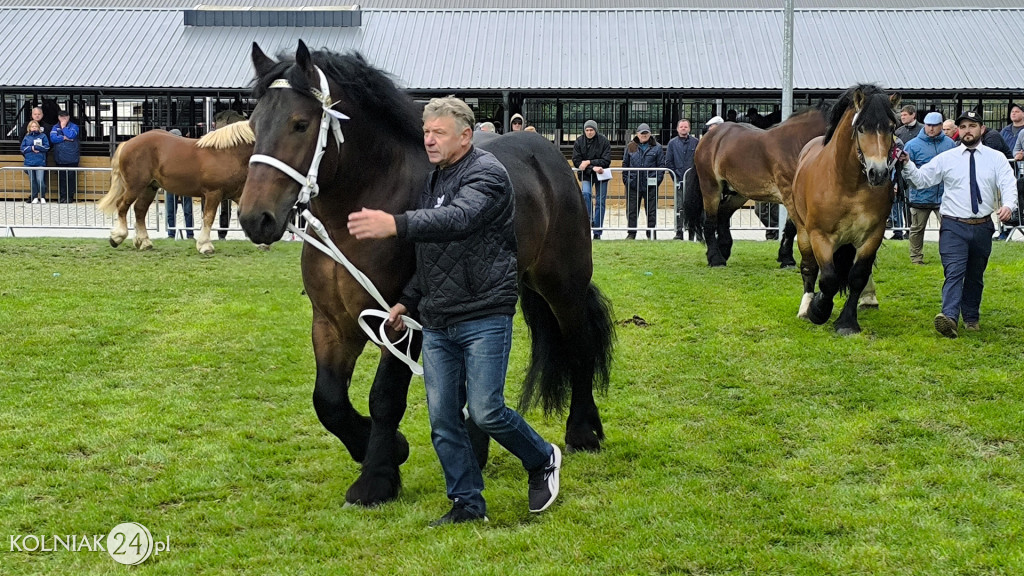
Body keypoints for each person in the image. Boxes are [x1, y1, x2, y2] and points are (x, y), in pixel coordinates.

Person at [346, 97, 561, 526]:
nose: (428, 140)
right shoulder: (432, 181)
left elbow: (460, 219)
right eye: (426, 132)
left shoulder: (488, 175)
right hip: (439, 318)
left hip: (484, 314)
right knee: (444, 421)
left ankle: (542, 459)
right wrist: (408, 299)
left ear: (466, 135)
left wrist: (396, 224)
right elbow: (432, 254)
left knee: (486, 411)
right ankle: (467, 504)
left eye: (438, 132)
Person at [899, 110, 1018, 338]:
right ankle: (949, 317)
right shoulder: (947, 158)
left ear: (981, 129)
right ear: (958, 131)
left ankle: (971, 317)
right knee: (954, 271)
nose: (967, 131)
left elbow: (1008, 183)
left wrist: (1009, 205)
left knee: (975, 275)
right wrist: (907, 164)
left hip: (983, 225)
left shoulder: (996, 158)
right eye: (963, 127)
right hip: (954, 225)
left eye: (972, 126)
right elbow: (923, 179)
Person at [903, 111, 956, 264]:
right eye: (928, 125)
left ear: (941, 125)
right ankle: (916, 258)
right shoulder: (912, 145)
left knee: (948, 229)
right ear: (924, 125)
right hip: (920, 195)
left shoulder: (950, 144)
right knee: (917, 229)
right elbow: (905, 169)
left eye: (935, 125)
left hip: (945, 196)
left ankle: (948, 256)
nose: (931, 128)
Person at [622, 123, 664, 239]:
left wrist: (657, 180)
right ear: (637, 134)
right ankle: (631, 233)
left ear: (650, 134)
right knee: (631, 211)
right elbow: (625, 164)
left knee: (651, 211)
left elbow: (661, 166)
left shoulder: (657, 147)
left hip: (651, 184)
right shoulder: (631, 146)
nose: (644, 135)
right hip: (633, 184)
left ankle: (651, 232)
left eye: (646, 133)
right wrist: (627, 180)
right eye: (642, 133)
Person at [572, 119, 612, 240]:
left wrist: (589, 163)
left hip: (601, 175)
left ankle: (598, 230)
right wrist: (593, 168)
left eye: (591, 130)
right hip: (587, 175)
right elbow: (577, 161)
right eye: (587, 130)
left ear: (596, 130)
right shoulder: (579, 142)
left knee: (600, 201)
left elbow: (606, 160)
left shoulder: (604, 141)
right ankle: (588, 222)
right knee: (585, 194)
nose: (589, 132)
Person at [664, 119, 699, 240]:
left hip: (693, 182)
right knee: (679, 207)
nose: (683, 129)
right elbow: (668, 162)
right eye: (681, 127)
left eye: (685, 127)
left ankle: (693, 231)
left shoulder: (696, 142)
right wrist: (676, 178)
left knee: (694, 206)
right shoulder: (672, 143)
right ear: (677, 129)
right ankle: (679, 231)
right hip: (679, 180)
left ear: (689, 129)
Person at [164, 129, 194, 239]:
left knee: (186, 210)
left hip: (183, 184)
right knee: (172, 210)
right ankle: (172, 233)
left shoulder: (185, 152)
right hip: (174, 184)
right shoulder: (167, 153)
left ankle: (189, 233)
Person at [49, 110, 80, 203]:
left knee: (71, 178)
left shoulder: (74, 127)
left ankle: (70, 197)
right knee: (61, 178)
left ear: (68, 117)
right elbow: (53, 139)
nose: (63, 119)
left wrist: (63, 128)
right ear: (58, 117)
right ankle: (62, 197)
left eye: (65, 117)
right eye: (61, 117)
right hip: (60, 158)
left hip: (72, 158)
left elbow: (71, 135)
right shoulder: (55, 127)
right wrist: (63, 137)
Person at [21, 120, 50, 204]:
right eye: (32, 126)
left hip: (40, 161)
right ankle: (34, 197)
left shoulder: (43, 136)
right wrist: (32, 148)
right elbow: (22, 149)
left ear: (38, 127)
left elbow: (47, 147)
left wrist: (38, 147)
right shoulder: (26, 137)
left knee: (40, 180)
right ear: (29, 128)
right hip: (29, 162)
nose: (34, 128)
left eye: (36, 126)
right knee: (32, 180)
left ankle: (42, 196)